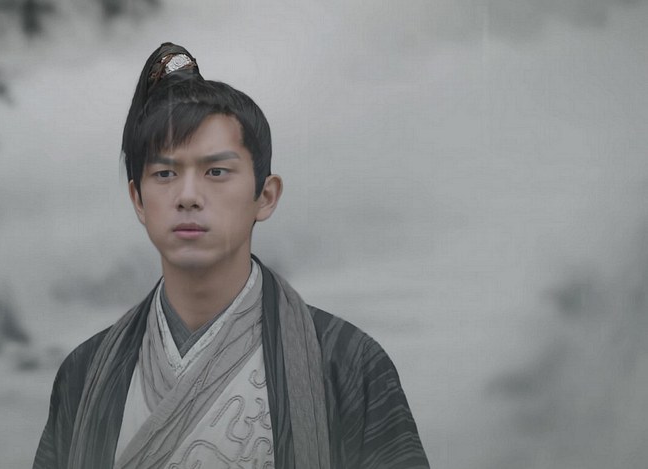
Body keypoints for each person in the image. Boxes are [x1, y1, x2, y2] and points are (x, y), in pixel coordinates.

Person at [33, 42, 429, 469]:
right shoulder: (85, 373)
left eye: (216, 171)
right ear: (138, 200)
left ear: (266, 195)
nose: (188, 196)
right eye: (165, 173)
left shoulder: (347, 363)